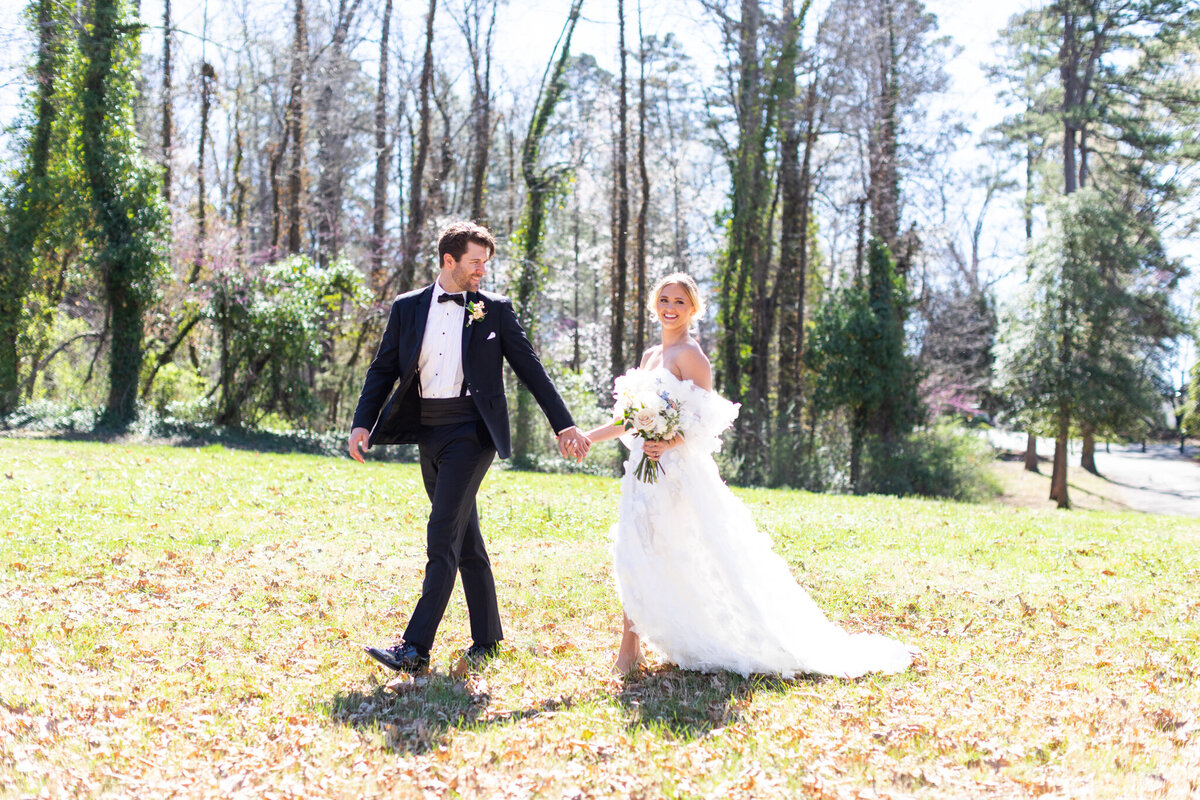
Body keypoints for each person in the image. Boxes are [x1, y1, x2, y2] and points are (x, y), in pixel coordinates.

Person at [583, 273, 915, 678]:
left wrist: (667, 443)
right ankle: (632, 644)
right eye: (664, 300)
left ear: (693, 309)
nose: (670, 308)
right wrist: (588, 437)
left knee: (659, 548)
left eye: (680, 302)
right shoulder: (652, 355)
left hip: (674, 473)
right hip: (641, 469)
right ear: (655, 304)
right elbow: (629, 419)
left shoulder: (692, 356)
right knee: (637, 549)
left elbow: (708, 420)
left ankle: (630, 647)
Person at [349, 221, 591, 674]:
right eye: (475, 263)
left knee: (442, 535)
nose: (482, 271)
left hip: (472, 434)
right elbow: (382, 370)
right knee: (465, 540)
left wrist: (564, 425)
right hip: (428, 431)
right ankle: (488, 638)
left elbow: (531, 369)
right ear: (449, 260)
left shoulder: (493, 310)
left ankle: (414, 648)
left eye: (486, 263)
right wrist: (363, 422)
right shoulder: (407, 308)